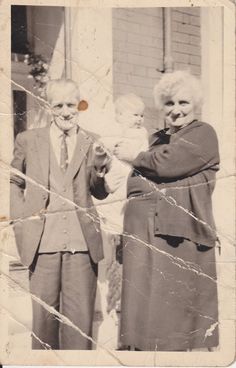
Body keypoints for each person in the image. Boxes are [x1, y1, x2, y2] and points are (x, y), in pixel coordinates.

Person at [114, 71, 220, 351]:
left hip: (181, 231)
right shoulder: (157, 138)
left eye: (183, 102)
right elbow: (139, 179)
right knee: (145, 309)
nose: (176, 110)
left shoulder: (203, 133)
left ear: (195, 104)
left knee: (174, 316)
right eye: (169, 104)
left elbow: (168, 164)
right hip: (147, 230)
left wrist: (135, 156)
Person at [10, 79, 108, 350]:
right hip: (41, 245)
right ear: (47, 106)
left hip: (82, 246)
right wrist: (20, 221)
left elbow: (98, 192)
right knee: (43, 327)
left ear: (80, 105)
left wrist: (100, 169)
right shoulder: (28, 140)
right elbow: (13, 181)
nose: (66, 112)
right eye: (58, 105)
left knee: (80, 326)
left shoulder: (91, 141)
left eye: (71, 105)